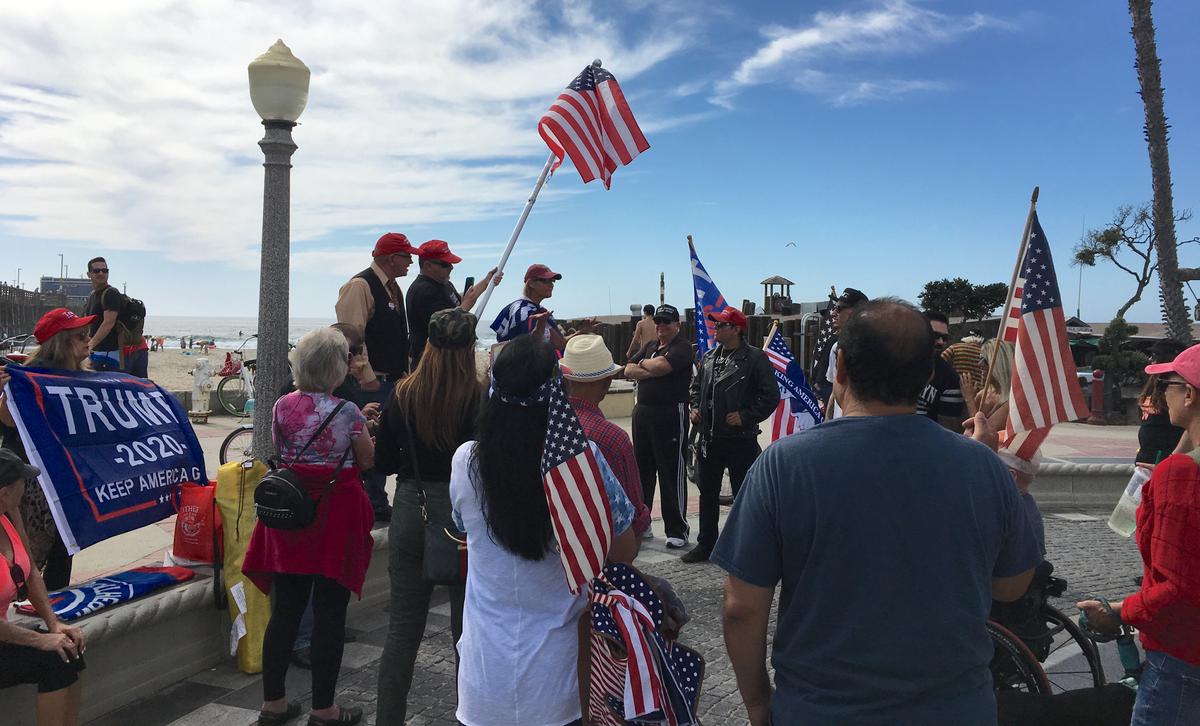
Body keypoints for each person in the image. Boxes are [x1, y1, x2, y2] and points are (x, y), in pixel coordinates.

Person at [713, 298, 1040, 725]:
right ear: (927, 374)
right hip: (955, 709)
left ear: (841, 367)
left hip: (820, 710)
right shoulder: (983, 468)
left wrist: (758, 703)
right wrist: (1010, 486)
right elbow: (1011, 587)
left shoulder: (782, 465)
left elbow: (742, 607)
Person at [450, 335, 638, 726]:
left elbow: (461, 526)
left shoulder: (466, 462)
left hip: (484, 675)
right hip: (558, 680)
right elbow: (623, 551)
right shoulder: (583, 463)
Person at [242, 328, 375, 726]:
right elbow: (365, 460)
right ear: (336, 367)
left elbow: (282, 451)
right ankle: (324, 709)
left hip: (292, 513)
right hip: (334, 513)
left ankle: (274, 704)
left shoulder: (282, 405)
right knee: (330, 614)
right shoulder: (348, 410)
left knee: (286, 611)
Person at [1078, 345, 1200, 725]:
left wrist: (1119, 613)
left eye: (1169, 383)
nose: (1163, 392)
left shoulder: (1181, 476)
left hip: (1184, 655)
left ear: (1190, 394)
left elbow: (1179, 587)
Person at [374, 308, 482, 724]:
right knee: (465, 633)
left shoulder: (403, 394)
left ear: (428, 346)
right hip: (462, 515)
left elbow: (382, 462)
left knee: (402, 630)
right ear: (469, 348)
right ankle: (467, 717)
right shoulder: (477, 395)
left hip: (411, 507)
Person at [0, 308, 96, 591]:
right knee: (27, 553)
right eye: (80, 336)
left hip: (65, 478)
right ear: (60, 343)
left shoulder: (83, 380)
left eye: (88, 334)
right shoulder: (26, 380)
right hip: (29, 484)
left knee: (64, 548)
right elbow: (7, 423)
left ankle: (57, 604)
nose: (88, 340)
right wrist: (6, 396)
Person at [683, 306, 778, 564]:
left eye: (722, 325)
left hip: (739, 439)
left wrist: (745, 416)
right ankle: (707, 544)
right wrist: (695, 408)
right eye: (716, 325)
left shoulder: (755, 358)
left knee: (743, 497)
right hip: (710, 439)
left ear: (736, 329)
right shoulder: (710, 357)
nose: (716, 329)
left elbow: (771, 396)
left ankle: (744, 547)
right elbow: (695, 387)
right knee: (708, 494)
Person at [335, 231, 418, 522]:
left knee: (384, 443)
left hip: (392, 380)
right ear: (391, 258)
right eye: (407, 256)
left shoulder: (393, 288)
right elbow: (350, 334)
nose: (411, 261)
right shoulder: (360, 285)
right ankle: (371, 505)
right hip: (373, 383)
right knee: (369, 444)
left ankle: (376, 503)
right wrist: (366, 375)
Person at [0, 450, 86, 726]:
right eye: (23, 482)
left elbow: (32, 573)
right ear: (4, 492)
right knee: (52, 658)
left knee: (68, 653)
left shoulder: (7, 517)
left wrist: (53, 624)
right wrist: (41, 640)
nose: (28, 487)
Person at [562, 334, 651, 537]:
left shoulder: (546, 426)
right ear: (607, 382)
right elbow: (635, 512)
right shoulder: (613, 438)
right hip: (606, 547)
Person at [624, 304, 693, 548]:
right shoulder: (651, 346)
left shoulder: (682, 347)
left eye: (667, 322)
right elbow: (628, 369)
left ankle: (677, 529)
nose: (662, 326)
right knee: (642, 470)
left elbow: (663, 367)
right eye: (659, 322)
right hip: (643, 413)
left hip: (670, 414)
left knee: (670, 470)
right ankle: (643, 524)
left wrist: (645, 366)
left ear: (677, 324)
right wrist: (647, 365)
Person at [405, 239, 500, 369]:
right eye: (445, 264)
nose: (451, 267)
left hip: (449, 363)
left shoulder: (443, 283)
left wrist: (487, 282)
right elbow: (443, 329)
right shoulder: (423, 291)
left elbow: (461, 300)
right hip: (433, 367)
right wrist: (467, 305)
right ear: (427, 266)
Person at [489, 263, 596, 350]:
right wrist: (582, 332)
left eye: (552, 281)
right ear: (531, 283)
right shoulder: (528, 312)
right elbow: (556, 344)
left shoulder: (517, 307)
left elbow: (560, 343)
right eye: (546, 281)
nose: (551, 284)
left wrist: (582, 331)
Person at [1136, 338, 1188, 465]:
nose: (1150, 360)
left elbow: (1190, 428)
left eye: (1155, 356)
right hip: (1145, 458)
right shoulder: (1153, 384)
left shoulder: (1178, 388)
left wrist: (1172, 459)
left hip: (1165, 459)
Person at [916, 310, 966, 431]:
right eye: (935, 335)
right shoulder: (893, 363)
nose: (941, 342)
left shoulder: (949, 378)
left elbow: (948, 429)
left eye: (944, 338)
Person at [824, 287, 868, 419]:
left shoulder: (879, 350)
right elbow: (834, 392)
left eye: (839, 308)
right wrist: (827, 422)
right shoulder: (836, 348)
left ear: (858, 314)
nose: (832, 313)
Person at [83, 257, 122, 372]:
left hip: (109, 354)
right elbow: (87, 323)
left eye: (105, 270)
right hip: (95, 352)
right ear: (89, 274)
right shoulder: (92, 296)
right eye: (96, 271)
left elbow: (109, 322)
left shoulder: (111, 293)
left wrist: (89, 345)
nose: (101, 273)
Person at [976, 338, 1015, 430]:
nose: (979, 364)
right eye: (980, 359)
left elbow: (982, 433)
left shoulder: (1014, 401)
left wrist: (969, 399)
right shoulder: (983, 396)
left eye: (985, 360)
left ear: (1001, 363)